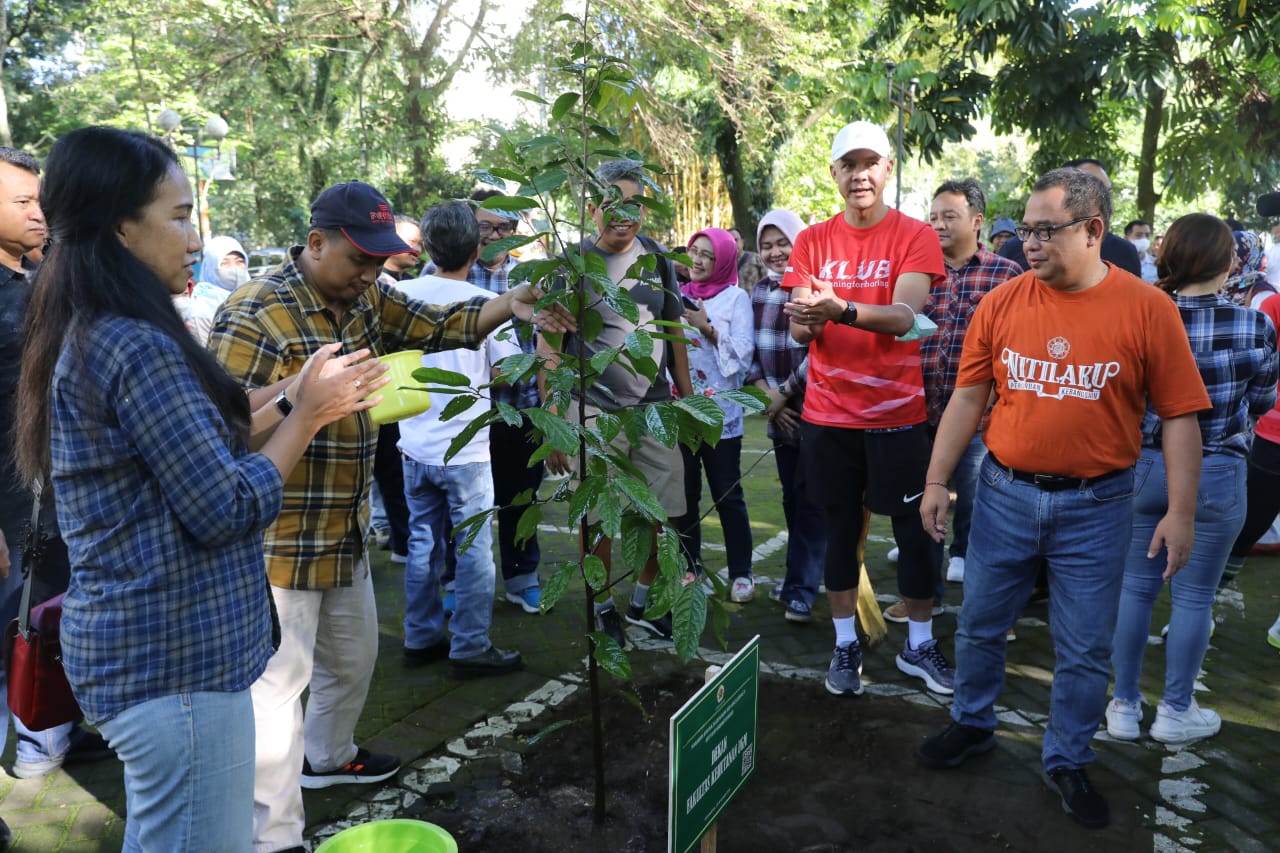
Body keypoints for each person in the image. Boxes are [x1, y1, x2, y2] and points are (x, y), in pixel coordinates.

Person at [14, 126, 388, 852]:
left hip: (154, 657)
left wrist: (297, 393)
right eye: (180, 216)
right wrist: (309, 416)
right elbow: (226, 505)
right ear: (120, 227)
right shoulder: (135, 343)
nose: (196, 239)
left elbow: (206, 431)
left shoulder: (104, 327)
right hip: (174, 664)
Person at [208, 179, 572, 852]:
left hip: (344, 530)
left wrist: (509, 303)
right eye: (359, 260)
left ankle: (329, 756)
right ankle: (274, 835)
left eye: (379, 261)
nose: (371, 273)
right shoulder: (256, 312)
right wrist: (301, 397)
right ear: (315, 243)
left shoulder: (367, 297)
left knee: (353, 658)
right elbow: (219, 429)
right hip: (278, 540)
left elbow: (438, 324)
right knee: (276, 695)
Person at [916, 167, 1210, 830]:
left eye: (1046, 230)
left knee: (1083, 646)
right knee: (979, 623)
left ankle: (1069, 758)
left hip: (1098, 507)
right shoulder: (1003, 303)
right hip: (1004, 495)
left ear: (1093, 230)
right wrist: (937, 480)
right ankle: (972, 721)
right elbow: (969, 397)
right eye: (1026, 229)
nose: (1030, 243)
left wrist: (1181, 511)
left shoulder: (1147, 309)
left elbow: (1181, 416)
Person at [781, 121, 950, 698]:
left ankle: (918, 645)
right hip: (828, 417)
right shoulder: (812, 241)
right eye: (848, 165)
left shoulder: (915, 235)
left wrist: (840, 309)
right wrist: (808, 319)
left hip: (897, 416)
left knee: (916, 532)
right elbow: (802, 331)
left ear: (887, 169)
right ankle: (845, 644)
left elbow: (906, 319)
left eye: (869, 163)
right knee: (839, 532)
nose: (859, 175)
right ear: (833, 173)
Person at [1106, 213, 1276, 745]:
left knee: (1134, 589)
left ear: (1169, 255)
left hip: (1145, 467)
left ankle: (1123, 705)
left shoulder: (1139, 317)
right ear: (1228, 262)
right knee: (1195, 598)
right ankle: (1176, 711)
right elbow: (1262, 401)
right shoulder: (1254, 325)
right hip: (1218, 472)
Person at [541, 159, 693, 646]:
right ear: (593, 209)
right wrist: (554, 423)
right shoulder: (572, 264)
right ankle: (602, 606)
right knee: (597, 517)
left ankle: (644, 603)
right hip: (592, 409)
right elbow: (549, 347)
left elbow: (673, 332)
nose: (623, 214)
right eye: (611, 203)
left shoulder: (658, 259)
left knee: (661, 512)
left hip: (654, 408)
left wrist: (688, 403)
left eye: (633, 204)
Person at [0, 147, 113, 800]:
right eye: (22, 202)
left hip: (59, 487)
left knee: (58, 609)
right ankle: (32, 743)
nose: (38, 213)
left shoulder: (42, 275)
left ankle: (58, 724)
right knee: (14, 621)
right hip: (9, 503)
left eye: (40, 200)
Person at [396, 201, 525, 677]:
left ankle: (420, 636)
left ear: (427, 247)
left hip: (413, 444)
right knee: (473, 552)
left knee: (422, 545)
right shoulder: (487, 302)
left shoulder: (399, 295)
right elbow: (507, 372)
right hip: (467, 450)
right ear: (476, 250)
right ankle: (470, 646)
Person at [745, 209, 823, 623]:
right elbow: (751, 354)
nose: (775, 252)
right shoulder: (758, 291)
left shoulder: (813, 288)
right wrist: (768, 398)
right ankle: (797, 579)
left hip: (814, 411)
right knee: (791, 499)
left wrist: (785, 394)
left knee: (811, 501)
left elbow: (820, 354)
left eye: (783, 243)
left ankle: (803, 590)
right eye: (767, 245)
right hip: (780, 414)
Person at [671, 227, 756, 601]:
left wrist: (706, 327)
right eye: (694, 251)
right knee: (685, 496)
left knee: (728, 495)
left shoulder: (736, 298)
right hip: (681, 412)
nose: (698, 260)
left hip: (720, 416)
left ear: (723, 260)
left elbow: (743, 355)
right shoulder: (676, 295)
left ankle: (742, 572)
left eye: (707, 254)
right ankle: (691, 567)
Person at [998, 159, 1141, 277]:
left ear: (1093, 231)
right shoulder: (1004, 294)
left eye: (1106, 191)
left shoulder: (1124, 253)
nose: (1030, 245)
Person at [185, 235, 249, 344]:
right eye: (224, 263)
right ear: (210, 268)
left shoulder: (256, 296)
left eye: (239, 261)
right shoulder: (202, 311)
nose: (234, 268)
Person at [727, 226, 768, 292]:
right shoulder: (723, 265)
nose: (733, 243)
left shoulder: (756, 259)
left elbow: (767, 281)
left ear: (742, 242)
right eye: (729, 241)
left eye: (736, 240)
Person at [1123, 219, 1157, 283]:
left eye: (1147, 235)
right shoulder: (1116, 262)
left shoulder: (1157, 264)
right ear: (1126, 238)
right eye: (1138, 235)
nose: (1144, 238)